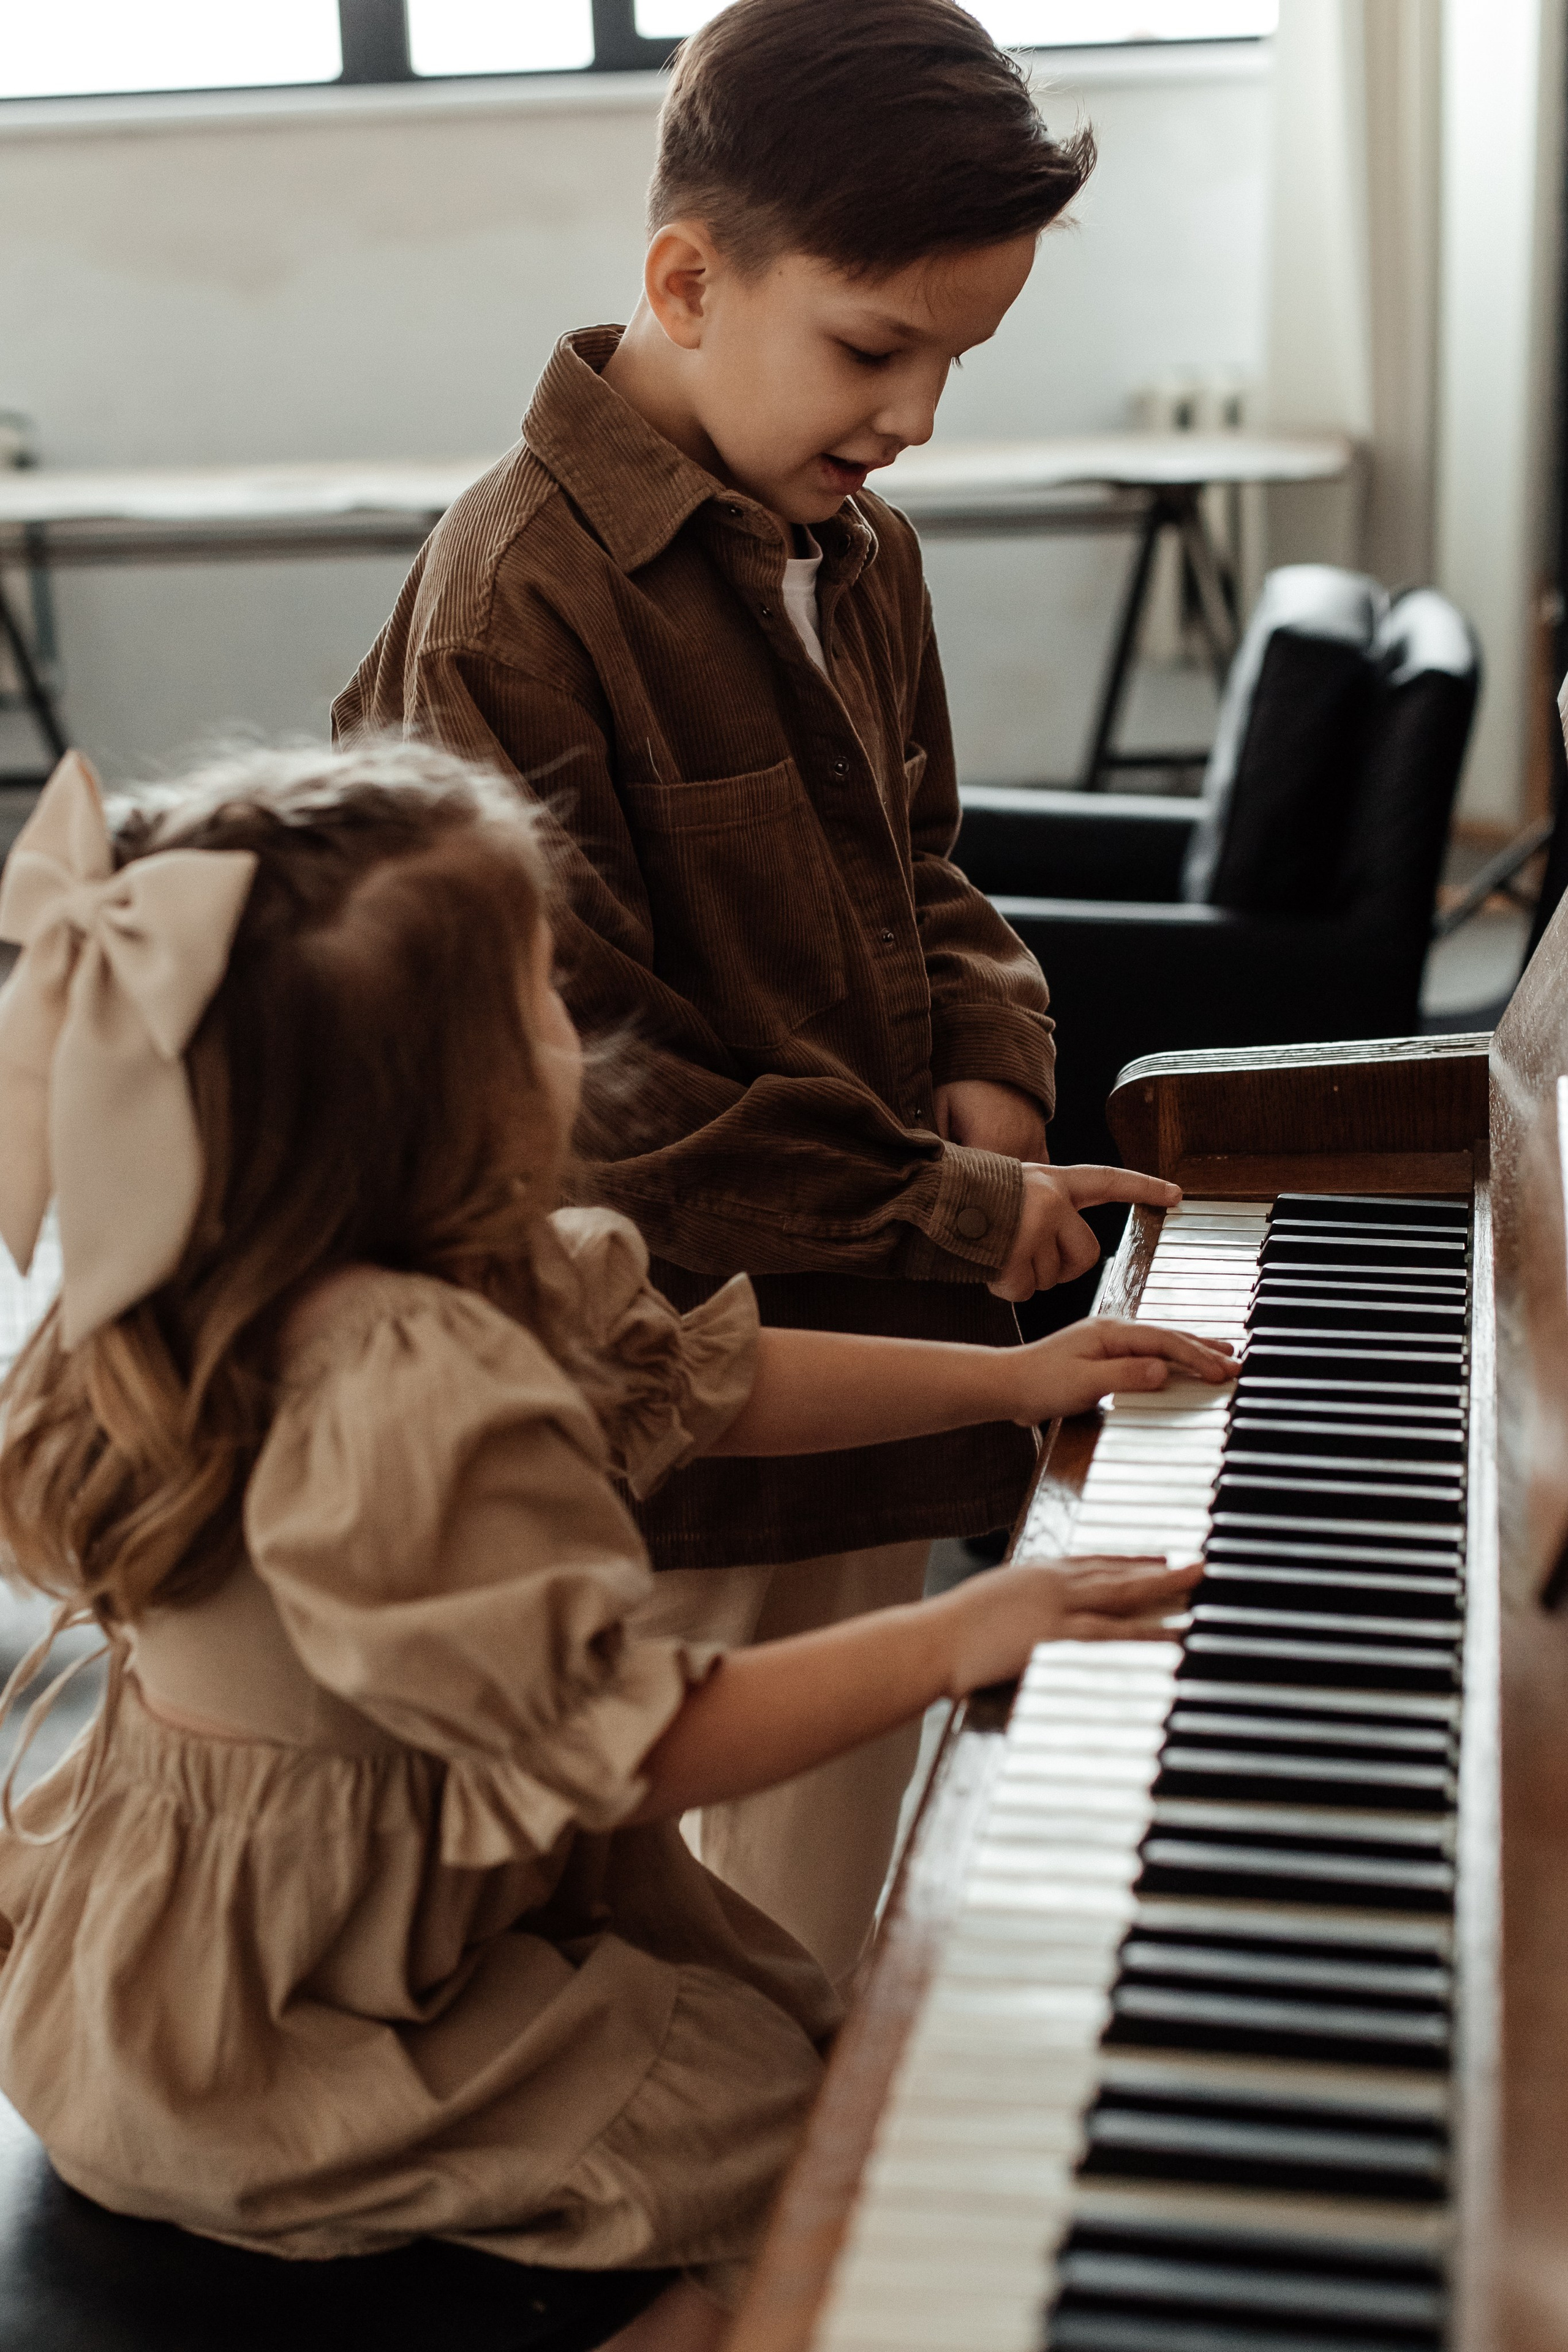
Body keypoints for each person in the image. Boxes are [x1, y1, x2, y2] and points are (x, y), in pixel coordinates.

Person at [0, 746, 1228, 2352]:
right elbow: (629, 1746)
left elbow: (707, 1380)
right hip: (287, 2027)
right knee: (814, 2141)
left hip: (277, 1928)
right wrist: (956, 1637)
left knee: (800, 2048)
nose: (574, 1031)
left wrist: (1011, 1380)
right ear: (427, 1096)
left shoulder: (286, 1267)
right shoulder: (392, 1386)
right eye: (536, 996)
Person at [334, 0, 1164, 1986]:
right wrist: (941, 1202)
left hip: (868, 1343)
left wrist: (992, 1054)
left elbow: (928, 862)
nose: (917, 419)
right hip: (669, 1401)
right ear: (690, 283)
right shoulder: (511, 605)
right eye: (876, 352)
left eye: (956, 362)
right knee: (677, 1937)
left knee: (833, 1879)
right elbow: (583, 1089)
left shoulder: (858, 549)